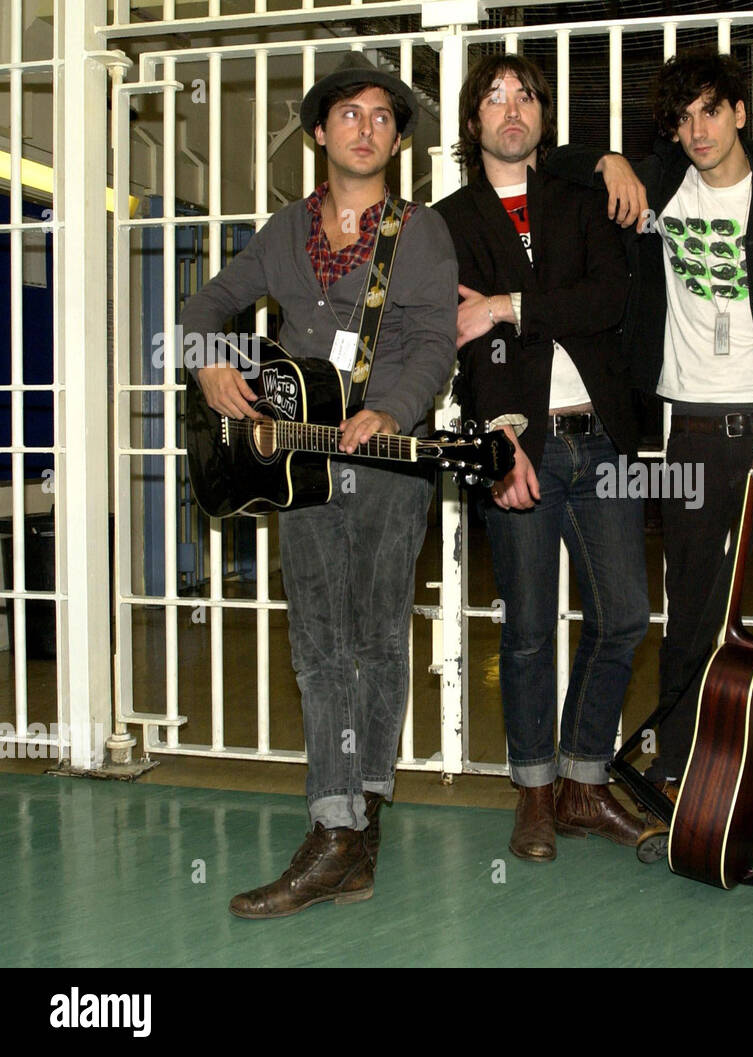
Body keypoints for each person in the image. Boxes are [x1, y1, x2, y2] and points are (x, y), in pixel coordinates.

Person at [548, 49, 753, 874]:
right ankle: (680, 771)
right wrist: (607, 158)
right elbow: (556, 166)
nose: (698, 131)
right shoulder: (656, 184)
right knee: (690, 617)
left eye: (711, 112)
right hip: (689, 431)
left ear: (741, 113)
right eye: (682, 119)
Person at [182, 53, 458, 917]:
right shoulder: (281, 231)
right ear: (319, 134)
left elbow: (434, 343)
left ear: (398, 140)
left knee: (377, 641)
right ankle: (336, 825)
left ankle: (358, 817)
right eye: (350, 115)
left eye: (383, 117)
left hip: (384, 467)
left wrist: (397, 411)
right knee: (317, 647)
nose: (367, 127)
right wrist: (210, 365)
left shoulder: (419, 232)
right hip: (297, 471)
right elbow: (206, 306)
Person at [433, 54, 649, 862]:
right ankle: (533, 792)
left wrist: (506, 306)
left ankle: (583, 782)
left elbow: (610, 300)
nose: (511, 109)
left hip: (601, 434)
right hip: (516, 441)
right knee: (525, 629)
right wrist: (498, 438)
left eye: (526, 96)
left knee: (622, 615)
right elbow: (458, 346)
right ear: (472, 123)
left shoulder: (585, 198)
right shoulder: (449, 222)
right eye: (493, 98)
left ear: (545, 119)